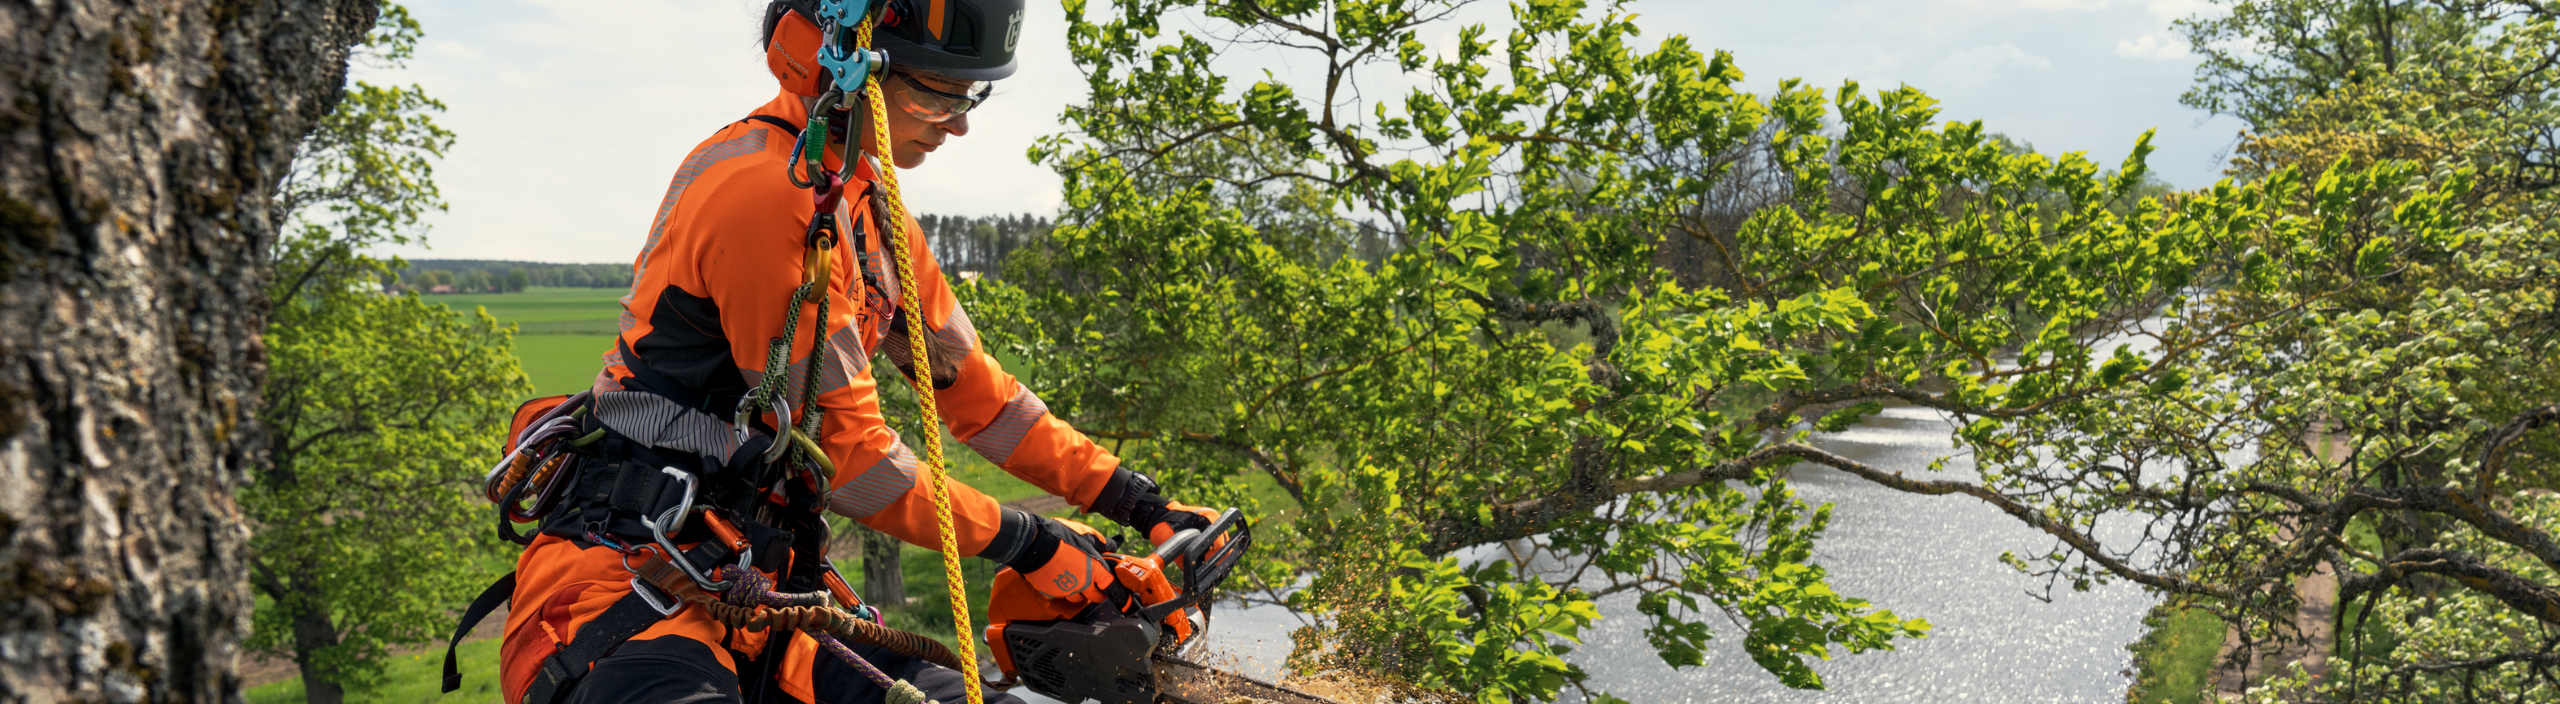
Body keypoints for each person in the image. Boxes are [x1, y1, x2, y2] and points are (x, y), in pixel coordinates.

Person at [492, 2, 1219, 702]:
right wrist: (1032, 543)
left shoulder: (867, 208)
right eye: (936, 95)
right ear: (835, 64)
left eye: (970, 96)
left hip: (764, 598)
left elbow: (977, 396)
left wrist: (1134, 500)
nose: (959, 124)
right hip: (622, 589)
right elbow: (854, 462)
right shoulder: (765, 196)